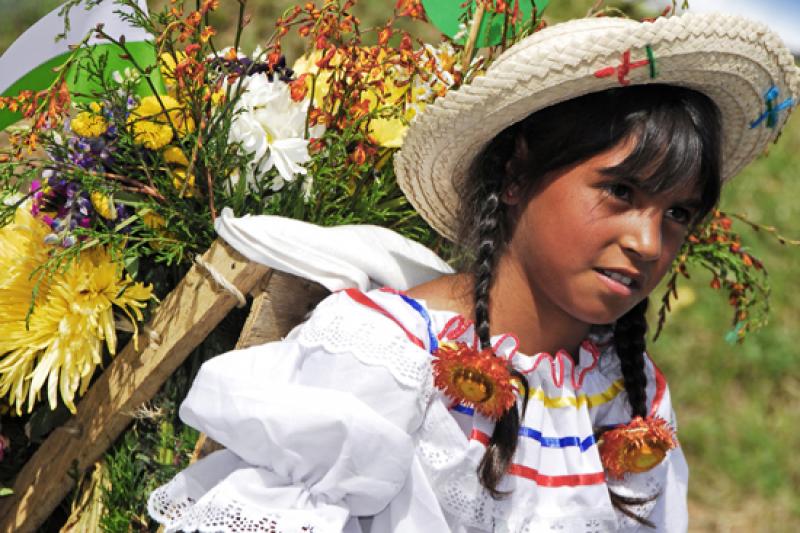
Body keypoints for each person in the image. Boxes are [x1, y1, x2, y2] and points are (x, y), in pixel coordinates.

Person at [148, 12, 798, 533]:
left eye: (679, 211)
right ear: (516, 174)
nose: (648, 241)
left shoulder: (629, 394)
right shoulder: (387, 359)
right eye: (621, 191)